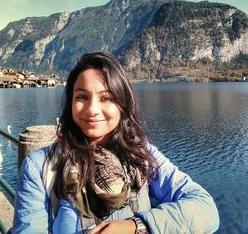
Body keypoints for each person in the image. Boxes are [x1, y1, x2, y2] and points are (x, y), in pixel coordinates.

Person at [12, 52, 219, 234]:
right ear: (70, 103)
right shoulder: (41, 167)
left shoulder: (141, 156)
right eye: (82, 96)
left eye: (106, 98)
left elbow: (206, 209)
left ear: (122, 104)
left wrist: (137, 226)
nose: (92, 109)